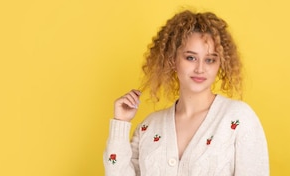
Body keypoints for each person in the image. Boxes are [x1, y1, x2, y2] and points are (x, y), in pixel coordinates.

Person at [103, 10, 269, 176]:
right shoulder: (150, 126)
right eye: (191, 58)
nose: (200, 68)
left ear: (220, 64)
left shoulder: (238, 119)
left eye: (210, 60)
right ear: (173, 60)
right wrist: (121, 122)